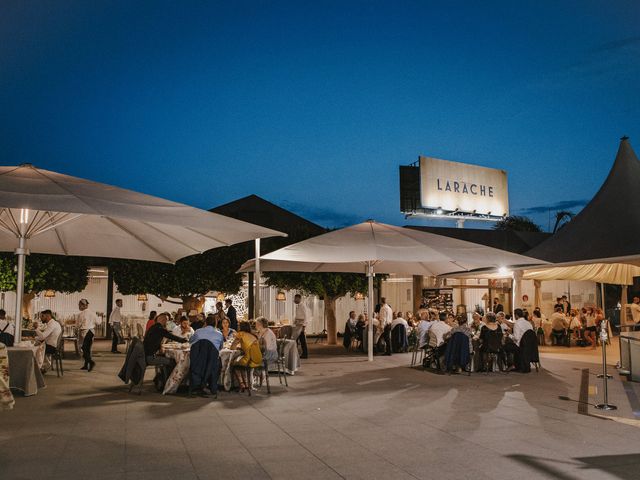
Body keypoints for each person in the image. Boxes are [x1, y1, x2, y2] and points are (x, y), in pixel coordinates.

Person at [143, 313, 188, 382]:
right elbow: (171, 336)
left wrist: (160, 346)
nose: (167, 322)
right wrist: (184, 340)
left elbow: (154, 341)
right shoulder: (159, 329)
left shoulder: (154, 327)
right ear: (162, 320)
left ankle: (163, 379)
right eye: (166, 320)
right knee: (173, 361)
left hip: (146, 355)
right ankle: (169, 381)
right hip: (150, 357)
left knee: (167, 356)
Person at [231, 321, 263, 391]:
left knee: (234, 363)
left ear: (241, 327)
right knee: (241, 362)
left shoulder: (240, 334)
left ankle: (242, 383)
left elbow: (232, 347)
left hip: (250, 360)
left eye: (239, 326)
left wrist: (236, 346)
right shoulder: (253, 335)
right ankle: (246, 383)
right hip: (259, 358)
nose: (238, 327)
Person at [77, 299, 101, 372]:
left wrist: (76, 329)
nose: (79, 306)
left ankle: (91, 362)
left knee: (83, 349)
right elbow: (99, 322)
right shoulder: (93, 313)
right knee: (88, 349)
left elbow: (78, 325)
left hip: (84, 332)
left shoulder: (81, 314)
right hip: (91, 332)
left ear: (85, 305)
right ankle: (86, 365)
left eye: (80, 305)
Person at [293, 294, 309, 359]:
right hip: (298, 325)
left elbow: (306, 316)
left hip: (301, 325)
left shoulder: (302, 306)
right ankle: (297, 354)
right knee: (297, 340)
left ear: (299, 298)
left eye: (295, 299)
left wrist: (304, 326)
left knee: (302, 340)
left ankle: (304, 354)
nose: (294, 300)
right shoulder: (298, 306)